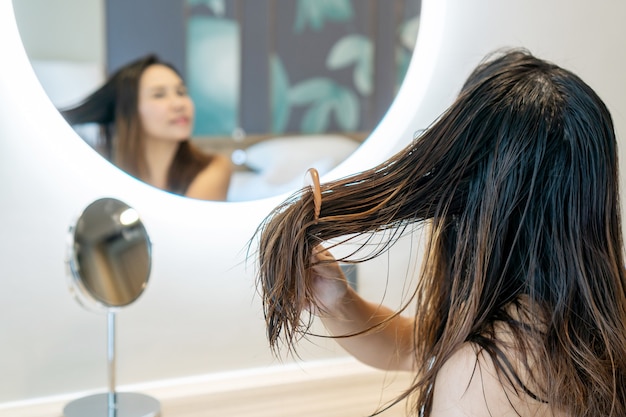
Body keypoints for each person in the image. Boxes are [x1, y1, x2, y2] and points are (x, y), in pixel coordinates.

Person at [253, 49, 626, 416]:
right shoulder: (588, 330)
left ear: (473, 193)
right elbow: (414, 346)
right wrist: (339, 300)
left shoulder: (482, 377)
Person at [61, 54, 232, 201]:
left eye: (181, 92)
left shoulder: (213, 170)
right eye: (159, 95)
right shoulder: (102, 175)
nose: (179, 104)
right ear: (129, 111)